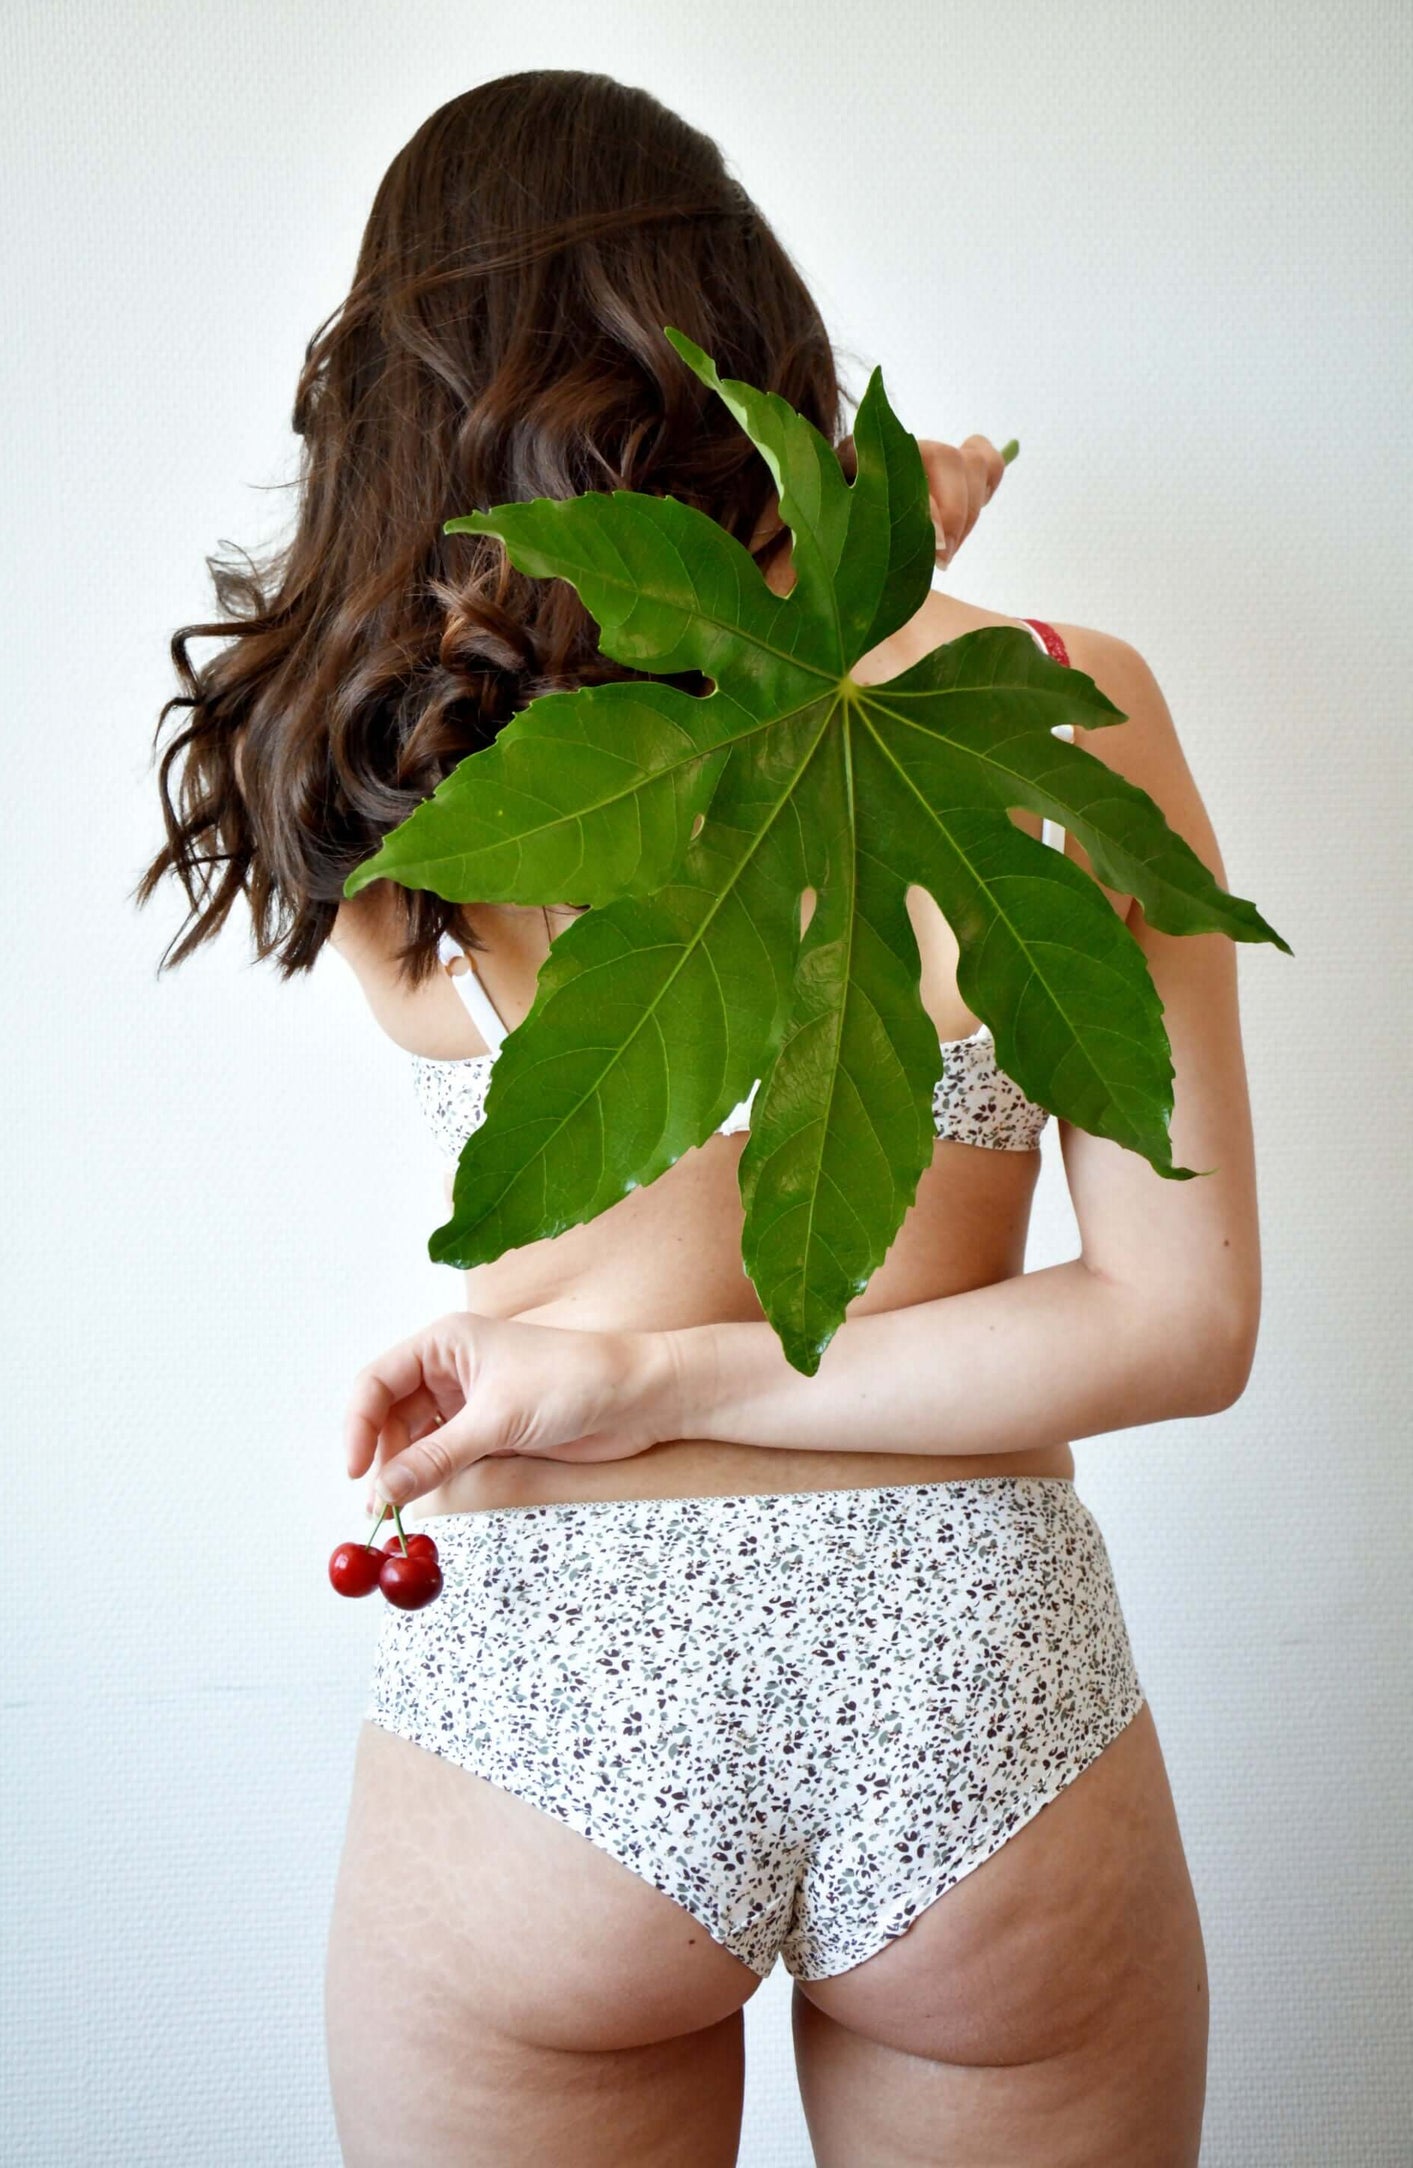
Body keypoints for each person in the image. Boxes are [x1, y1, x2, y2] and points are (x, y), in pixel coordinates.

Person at [138, 70, 1258, 2168]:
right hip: (975, 1678)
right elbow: (1181, 1325)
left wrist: (613, 1372)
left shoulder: (428, 797)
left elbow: (696, 708)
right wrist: (897, 550)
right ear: (765, 339)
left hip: (554, 1677)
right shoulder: (1049, 703)